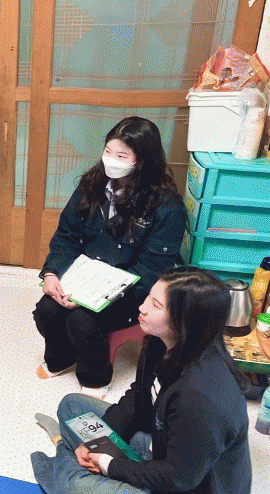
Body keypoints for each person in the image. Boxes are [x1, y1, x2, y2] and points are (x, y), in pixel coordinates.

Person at [32, 267, 252, 494]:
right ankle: (68, 463)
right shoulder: (162, 341)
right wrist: (97, 443)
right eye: (149, 297)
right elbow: (140, 397)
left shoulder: (200, 396)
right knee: (71, 405)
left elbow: (178, 478)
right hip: (158, 444)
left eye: (156, 305)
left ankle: (63, 460)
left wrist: (109, 464)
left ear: (186, 321)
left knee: (76, 483)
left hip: (182, 484)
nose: (142, 308)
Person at [33, 116, 187, 398]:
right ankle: (61, 358)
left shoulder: (167, 207)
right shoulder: (91, 185)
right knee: (47, 310)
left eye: (121, 156)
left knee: (82, 321)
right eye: (107, 151)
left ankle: (95, 377)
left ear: (143, 160)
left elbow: (153, 271)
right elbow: (67, 236)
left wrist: (98, 295)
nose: (111, 160)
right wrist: (52, 273)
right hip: (85, 278)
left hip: (130, 290)